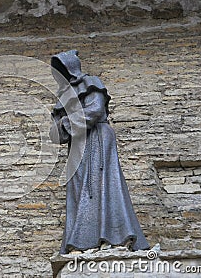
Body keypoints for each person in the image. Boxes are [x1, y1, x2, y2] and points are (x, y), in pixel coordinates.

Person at [49, 50, 149, 254]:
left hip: (97, 138)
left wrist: (67, 122)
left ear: (71, 67)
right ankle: (81, 242)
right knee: (78, 191)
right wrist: (63, 126)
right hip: (77, 146)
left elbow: (94, 110)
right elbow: (55, 134)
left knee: (103, 185)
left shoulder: (91, 82)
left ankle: (114, 237)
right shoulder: (64, 96)